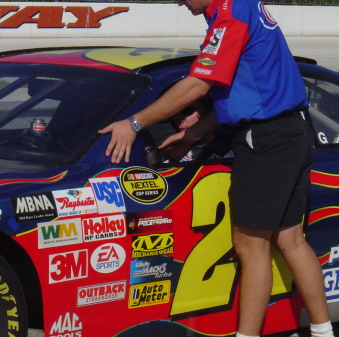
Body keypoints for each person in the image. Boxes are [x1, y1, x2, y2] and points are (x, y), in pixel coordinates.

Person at [98, 1, 334, 337]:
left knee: (252, 246)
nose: (179, 2)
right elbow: (241, 92)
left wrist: (135, 123)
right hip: (289, 132)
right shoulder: (241, 8)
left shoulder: (230, 17)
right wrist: (193, 133)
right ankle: (323, 332)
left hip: (264, 140)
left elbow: (198, 86)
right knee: (291, 240)